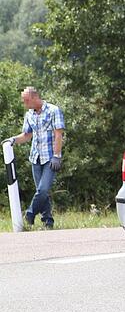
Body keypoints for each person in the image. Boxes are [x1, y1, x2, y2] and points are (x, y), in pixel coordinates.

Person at [3, 87, 65, 229]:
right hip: (35, 157)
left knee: (43, 190)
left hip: (50, 157)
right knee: (41, 192)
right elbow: (26, 135)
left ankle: (29, 214)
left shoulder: (53, 110)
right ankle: (48, 222)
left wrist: (57, 155)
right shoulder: (29, 114)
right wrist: (12, 140)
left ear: (34, 98)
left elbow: (58, 134)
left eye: (26, 101)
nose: (24, 104)